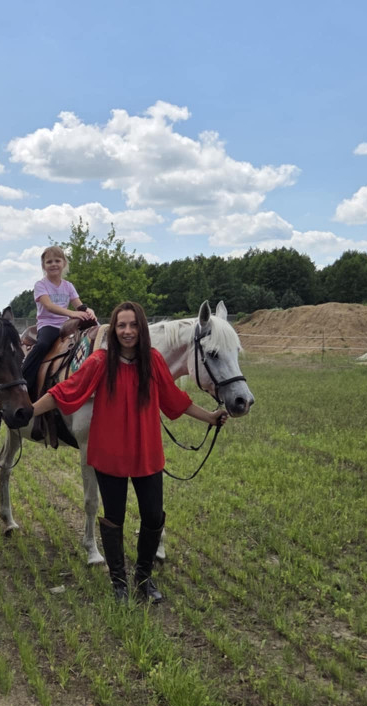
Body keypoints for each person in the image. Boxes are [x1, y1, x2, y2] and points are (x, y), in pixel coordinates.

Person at [30, 301, 229, 603]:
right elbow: (65, 391)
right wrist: (28, 411)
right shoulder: (99, 361)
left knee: (152, 518)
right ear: (114, 329)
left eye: (133, 325)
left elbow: (176, 400)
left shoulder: (153, 361)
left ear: (141, 329)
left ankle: (144, 579)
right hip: (109, 456)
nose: (127, 331)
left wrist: (211, 417)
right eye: (121, 325)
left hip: (147, 454)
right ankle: (119, 582)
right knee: (115, 518)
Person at [21, 246, 95, 439]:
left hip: (66, 326)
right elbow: (48, 305)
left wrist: (88, 312)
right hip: (48, 325)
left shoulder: (68, 285)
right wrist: (72, 313)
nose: (53, 264)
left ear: (64, 264)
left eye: (57, 261)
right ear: (44, 266)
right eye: (49, 262)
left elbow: (79, 304)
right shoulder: (41, 285)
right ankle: (24, 379)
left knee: (90, 336)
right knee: (43, 345)